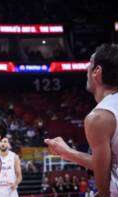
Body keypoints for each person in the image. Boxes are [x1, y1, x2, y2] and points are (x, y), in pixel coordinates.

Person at [45, 44, 118, 196]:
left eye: (90, 63)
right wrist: (68, 152)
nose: (86, 68)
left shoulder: (99, 117)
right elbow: (105, 165)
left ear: (97, 71)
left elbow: (104, 189)